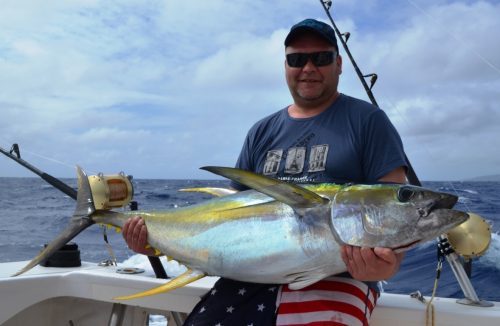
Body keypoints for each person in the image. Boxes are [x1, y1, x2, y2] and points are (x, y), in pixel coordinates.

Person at [123, 18, 407, 326]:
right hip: (250, 275)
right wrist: (151, 238)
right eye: (297, 59)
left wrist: (384, 268)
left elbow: (394, 211)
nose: (308, 68)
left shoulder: (368, 121)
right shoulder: (262, 131)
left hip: (338, 276)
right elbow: (229, 209)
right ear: (285, 66)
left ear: (338, 64)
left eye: (321, 58)